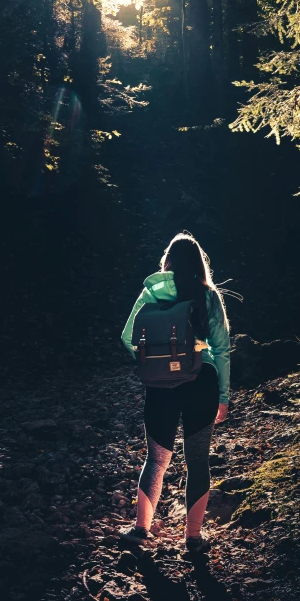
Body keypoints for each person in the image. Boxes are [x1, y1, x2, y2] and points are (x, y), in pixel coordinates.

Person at [119, 232, 231, 555]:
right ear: (199, 263)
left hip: (160, 388)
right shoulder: (208, 295)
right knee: (197, 461)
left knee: (156, 459)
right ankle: (193, 539)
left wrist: (155, 362)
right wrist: (223, 395)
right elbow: (221, 349)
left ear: (167, 262)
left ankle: (140, 531)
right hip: (202, 382)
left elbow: (128, 336)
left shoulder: (151, 292)